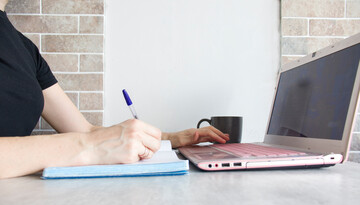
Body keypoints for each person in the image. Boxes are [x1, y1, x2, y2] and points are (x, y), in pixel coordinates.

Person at [0, 0, 229, 179]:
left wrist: (167, 139)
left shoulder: (25, 49)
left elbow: (85, 131)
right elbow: (89, 141)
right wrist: (90, 148)